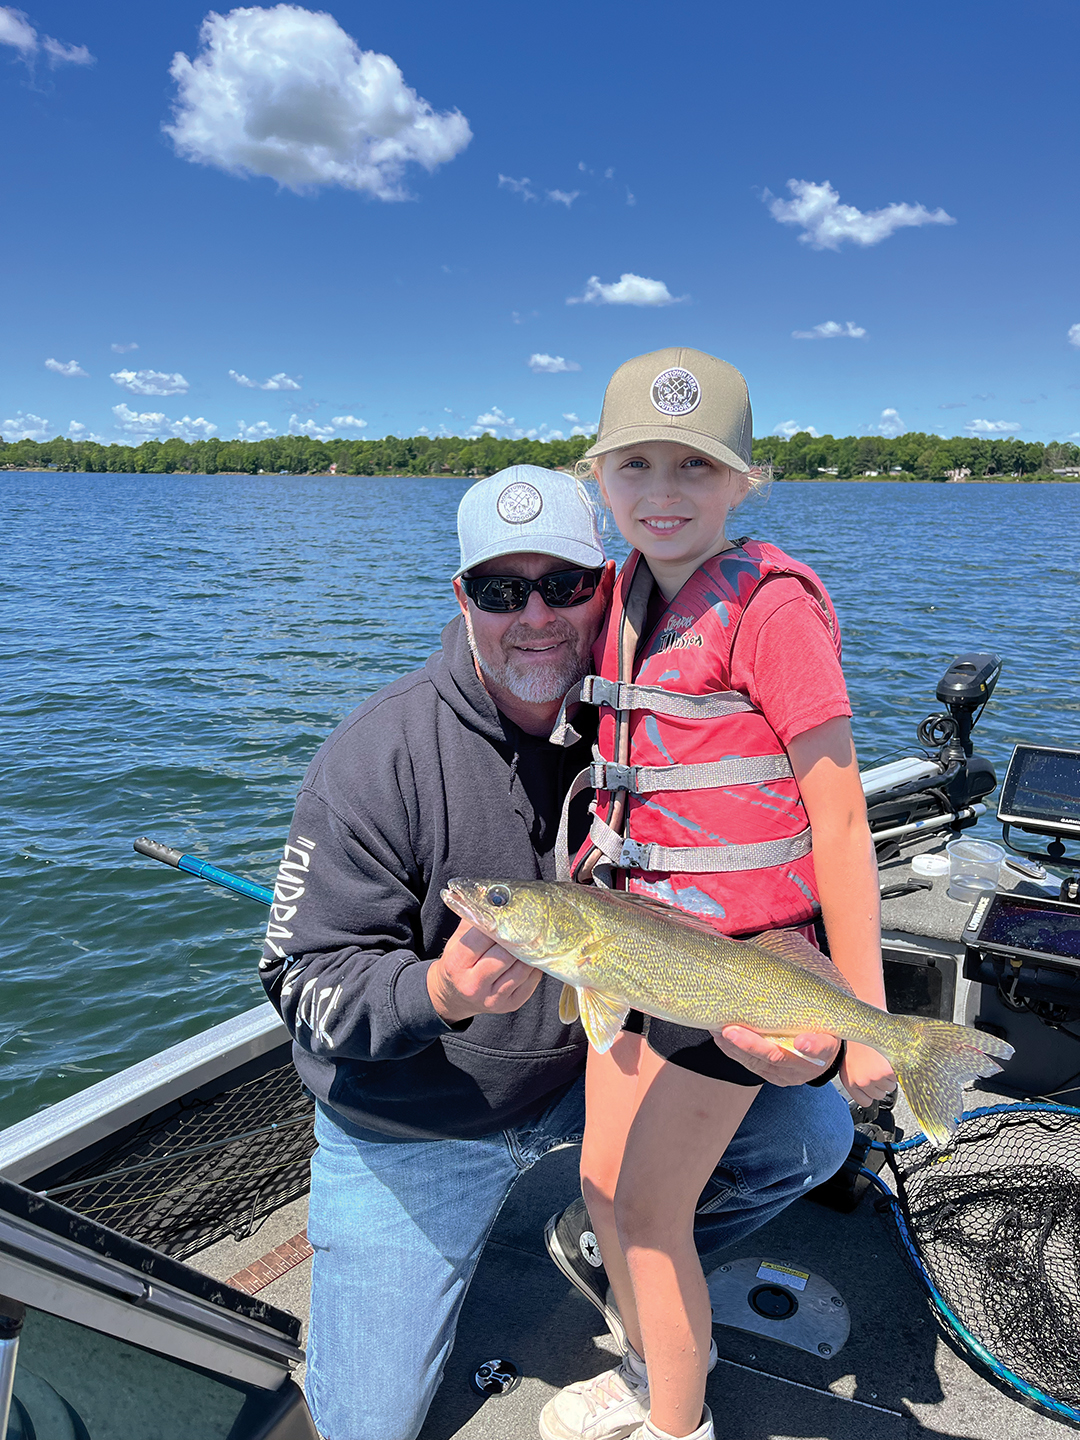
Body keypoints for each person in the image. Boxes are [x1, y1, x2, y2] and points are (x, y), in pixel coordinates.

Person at [258, 463, 854, 1440]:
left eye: (565, 583)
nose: (534, 614)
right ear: (463, 598)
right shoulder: (373, 758)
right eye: (501, 589)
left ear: (607, 587)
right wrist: (434, 993)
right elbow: (298, 981)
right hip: (413, 1126)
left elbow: (763, 874)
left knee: (811, 1135)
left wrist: (805, 990)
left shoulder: (668, 721)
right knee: (364, 1428)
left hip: (598, 1060)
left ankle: (618, 1245)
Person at [539, 349, 893, 1440]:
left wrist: (870, 1027)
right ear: (599, 479)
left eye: (695, 467)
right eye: (635, 465)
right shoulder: (617, 597)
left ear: (745, 481)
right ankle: (651, 1368)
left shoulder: (772, 610)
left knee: (651, 1213)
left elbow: (838, 818)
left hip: (731, 966)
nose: (662, 493)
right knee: (602, 1188)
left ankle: (675, 1423)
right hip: (627, 951)